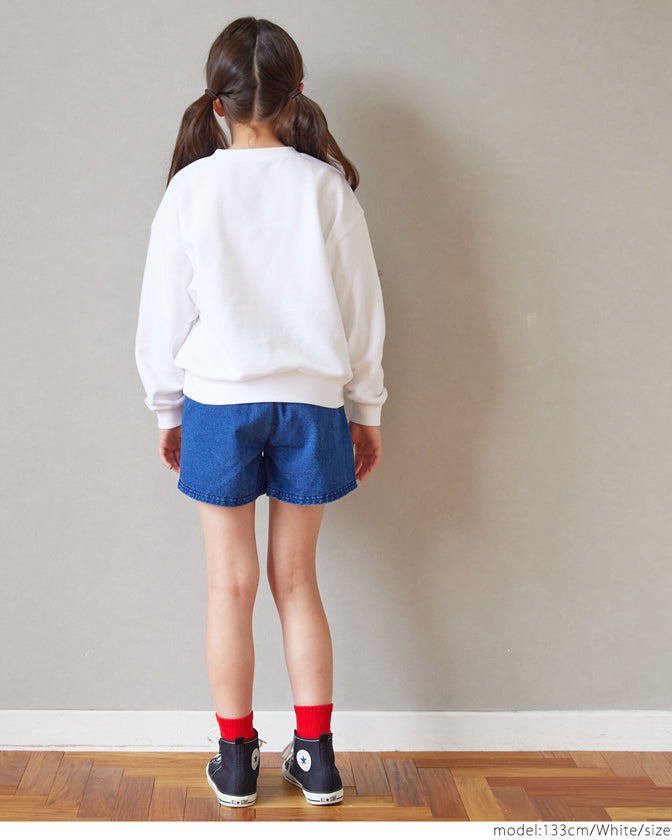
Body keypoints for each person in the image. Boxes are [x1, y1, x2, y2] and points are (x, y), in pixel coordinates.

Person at [134, 16, 387, 808]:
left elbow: (162, 317)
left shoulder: (190, 189)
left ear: (218, 103)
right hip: (312, 404)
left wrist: (167, 410)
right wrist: (367, 409)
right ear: (295, 94)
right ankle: (316, 758)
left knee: (229, 585)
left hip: (218, 401)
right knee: (296, 580)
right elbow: (362, 311)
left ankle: (237, 761)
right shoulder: (324, 188)